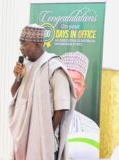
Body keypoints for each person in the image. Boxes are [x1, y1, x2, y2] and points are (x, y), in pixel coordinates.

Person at [9, 24, 76, 160]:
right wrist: (17, 79)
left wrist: (46, 134)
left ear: (38, 44)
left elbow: (61, 108)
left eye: (25, 44)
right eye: (20, 43)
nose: (21, 48)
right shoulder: (25, 66)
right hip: (23, 138)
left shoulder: (54, 67)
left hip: (42, 140)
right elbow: (15, 95)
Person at [61, 51, 100, 160]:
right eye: (65, 79)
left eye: (77, 82)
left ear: (83, 90)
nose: (71, 87)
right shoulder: (35, 120)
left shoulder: (92, 129)